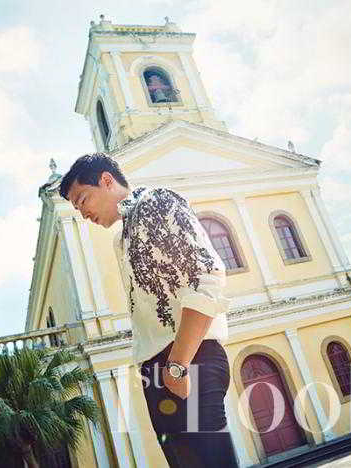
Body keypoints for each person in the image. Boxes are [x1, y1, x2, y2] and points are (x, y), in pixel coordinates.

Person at [59, 153, 239, 467]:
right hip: (157, 369)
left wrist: (178, 365)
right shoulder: (122, 237)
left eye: (83, 199)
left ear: (106, 180)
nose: (83, 213)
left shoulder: (156, 202)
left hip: (186, 359)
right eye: (76, 208)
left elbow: (207, 277)